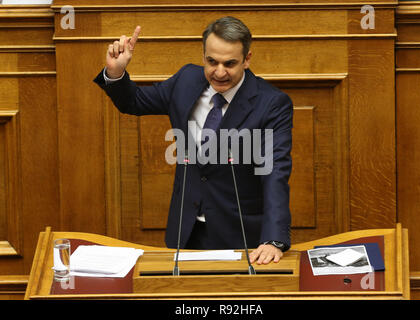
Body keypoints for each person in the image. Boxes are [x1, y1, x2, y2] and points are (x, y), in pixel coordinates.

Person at [94, 16, 293, 265]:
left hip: (241, 236)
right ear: (203, 56)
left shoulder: (271, 104)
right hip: (186, 230)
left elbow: (275, 172)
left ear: (247, 59)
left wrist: (273, 239)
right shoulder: (187, 80)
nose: (219, 72)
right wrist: (116, 71)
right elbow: (133, 101)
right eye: (212, 62)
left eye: (230, 63)